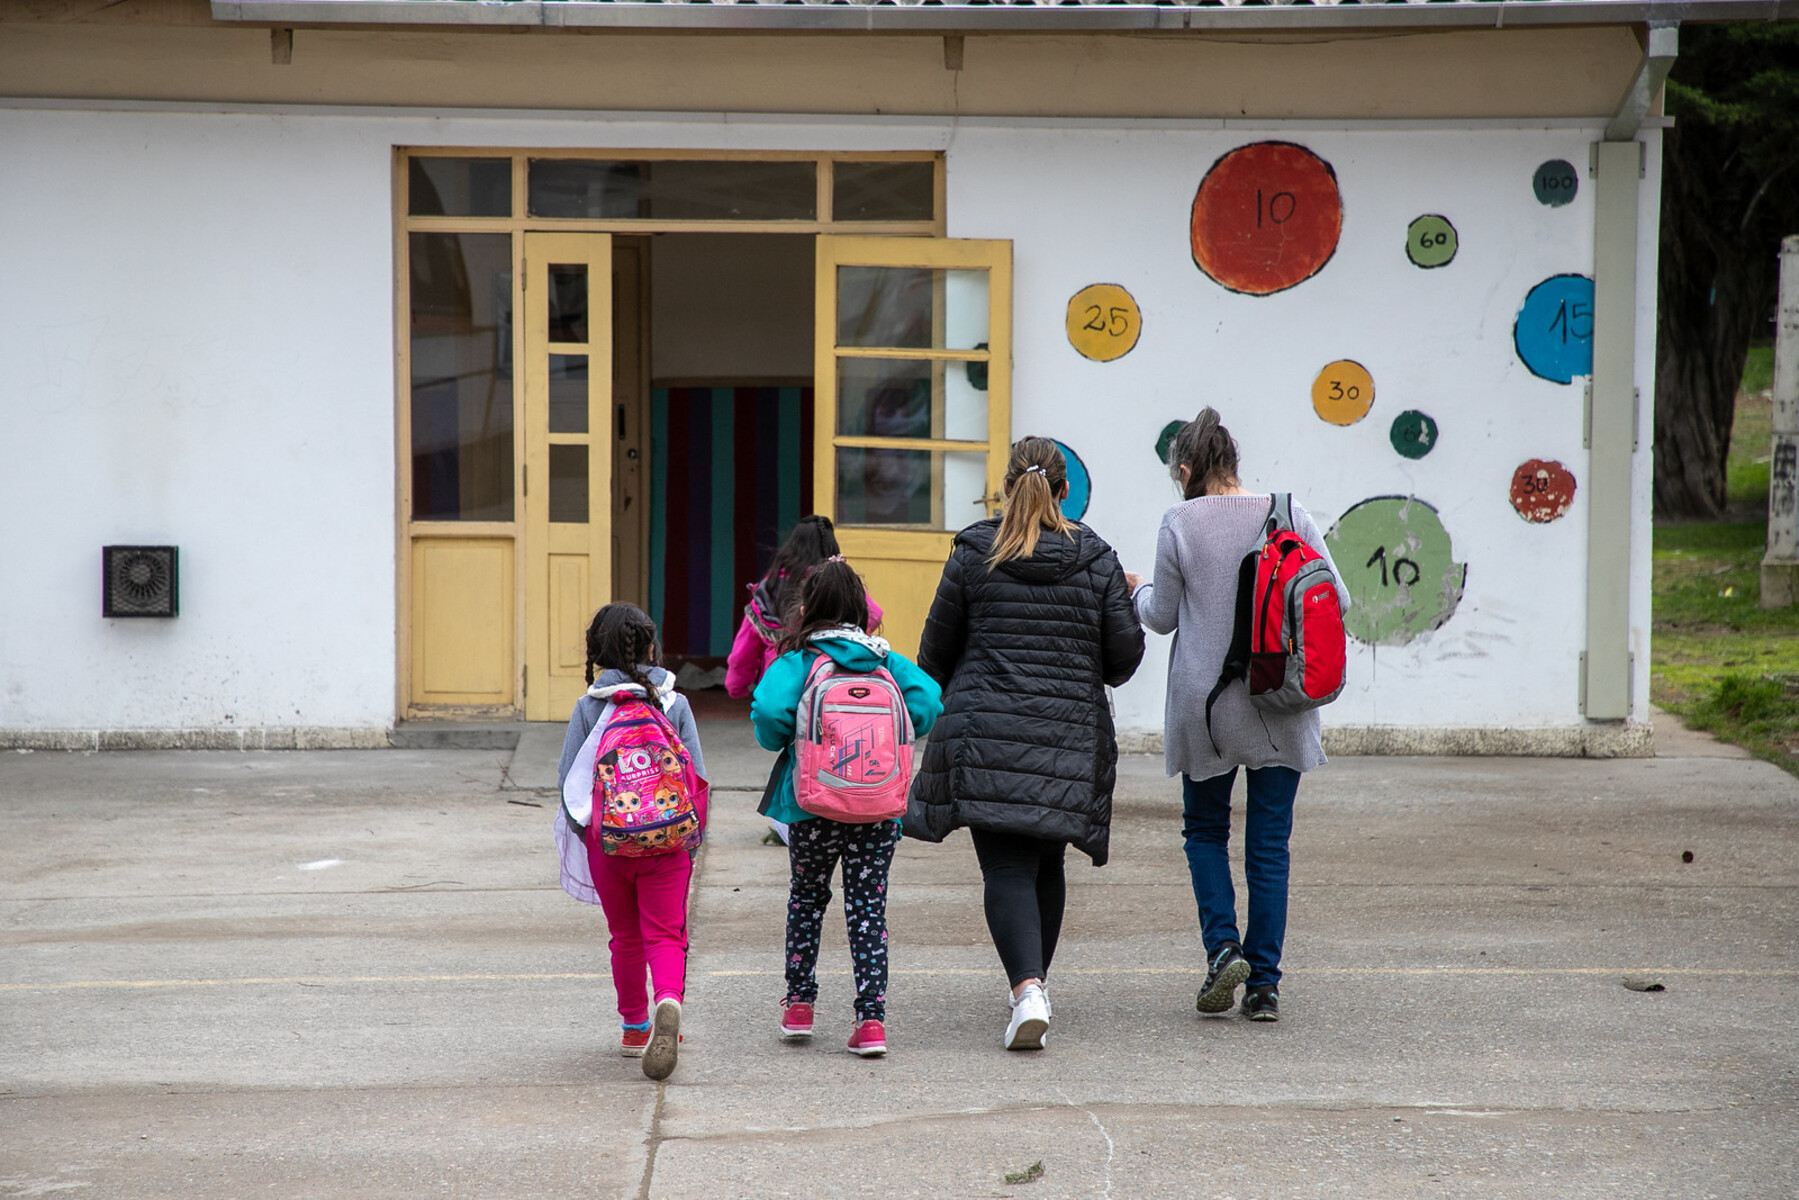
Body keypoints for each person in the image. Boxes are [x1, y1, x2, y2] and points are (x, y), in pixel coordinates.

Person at [905, 436, 1145, 1051]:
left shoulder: (973, 553)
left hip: (988, 735)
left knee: (1005, 866)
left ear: (1006, 487)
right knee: (1047, 862)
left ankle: (1027, 989)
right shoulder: (1095, 559)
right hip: (1068, 734)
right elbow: (1122, 661)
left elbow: (933, 654)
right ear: (1065, 491)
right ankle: (1033, 988)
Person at [1125, 407, 1348, 1024]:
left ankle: (1223, 950)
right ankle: (1265, 986)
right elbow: (1339, 598)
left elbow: (1163, 615)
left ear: (1189, 468)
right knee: (1270, 844)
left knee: (1205, 833)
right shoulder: (1288, 510)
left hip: (1208, 705)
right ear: (1235, 462)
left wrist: (1134, 587)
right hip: (1280, 697)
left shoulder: (1180, 522)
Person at [750, 559, 942, 1057]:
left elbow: (769, 713)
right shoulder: (886, 662)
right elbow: (929, 703)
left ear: (808, 608)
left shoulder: (798, 661)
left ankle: (799, 1005)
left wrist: (787, 737)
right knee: (867, 910)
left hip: (811, 806)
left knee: (807, 900)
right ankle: (871, 1022)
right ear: (862, 609)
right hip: (878, 809)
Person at [554, 603, 708, 1081]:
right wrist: (689, 840)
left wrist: (592, 834)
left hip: (610, 844)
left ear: (597, 652)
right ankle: (668, 1001)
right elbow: (697, 775)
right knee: (666, 934)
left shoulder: (589, 706)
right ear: (651, 646)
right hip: (668, 845)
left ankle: (635, 1027)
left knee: (625, 937)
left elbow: (569, 783)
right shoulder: (674, 703)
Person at [725, 515, 886, 700]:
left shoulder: (769, 589)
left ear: (792, 546)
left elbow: (742, 652)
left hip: (777, 689)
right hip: (831, 687)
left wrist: (737, 687)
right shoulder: (838, 585)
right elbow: (874, 614)